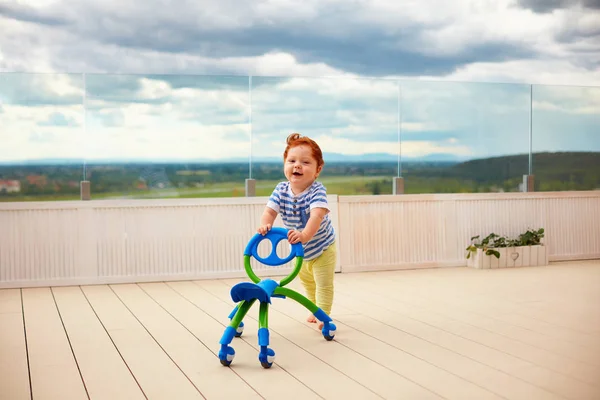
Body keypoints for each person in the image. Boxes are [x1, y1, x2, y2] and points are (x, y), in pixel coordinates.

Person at [257, 133, 337, 329]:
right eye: (291, 160)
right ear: (285, 164)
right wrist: (265, 224)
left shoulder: (317, 191)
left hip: (322, 247)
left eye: (305, 162)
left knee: (323, 284)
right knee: (308, 283)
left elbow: (316, 216)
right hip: (300, 250)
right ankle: (313, 307)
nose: (297, 165)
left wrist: (304, 236)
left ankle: (323, 315)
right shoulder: (281, 190)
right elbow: (269, 211)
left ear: (318, 170)